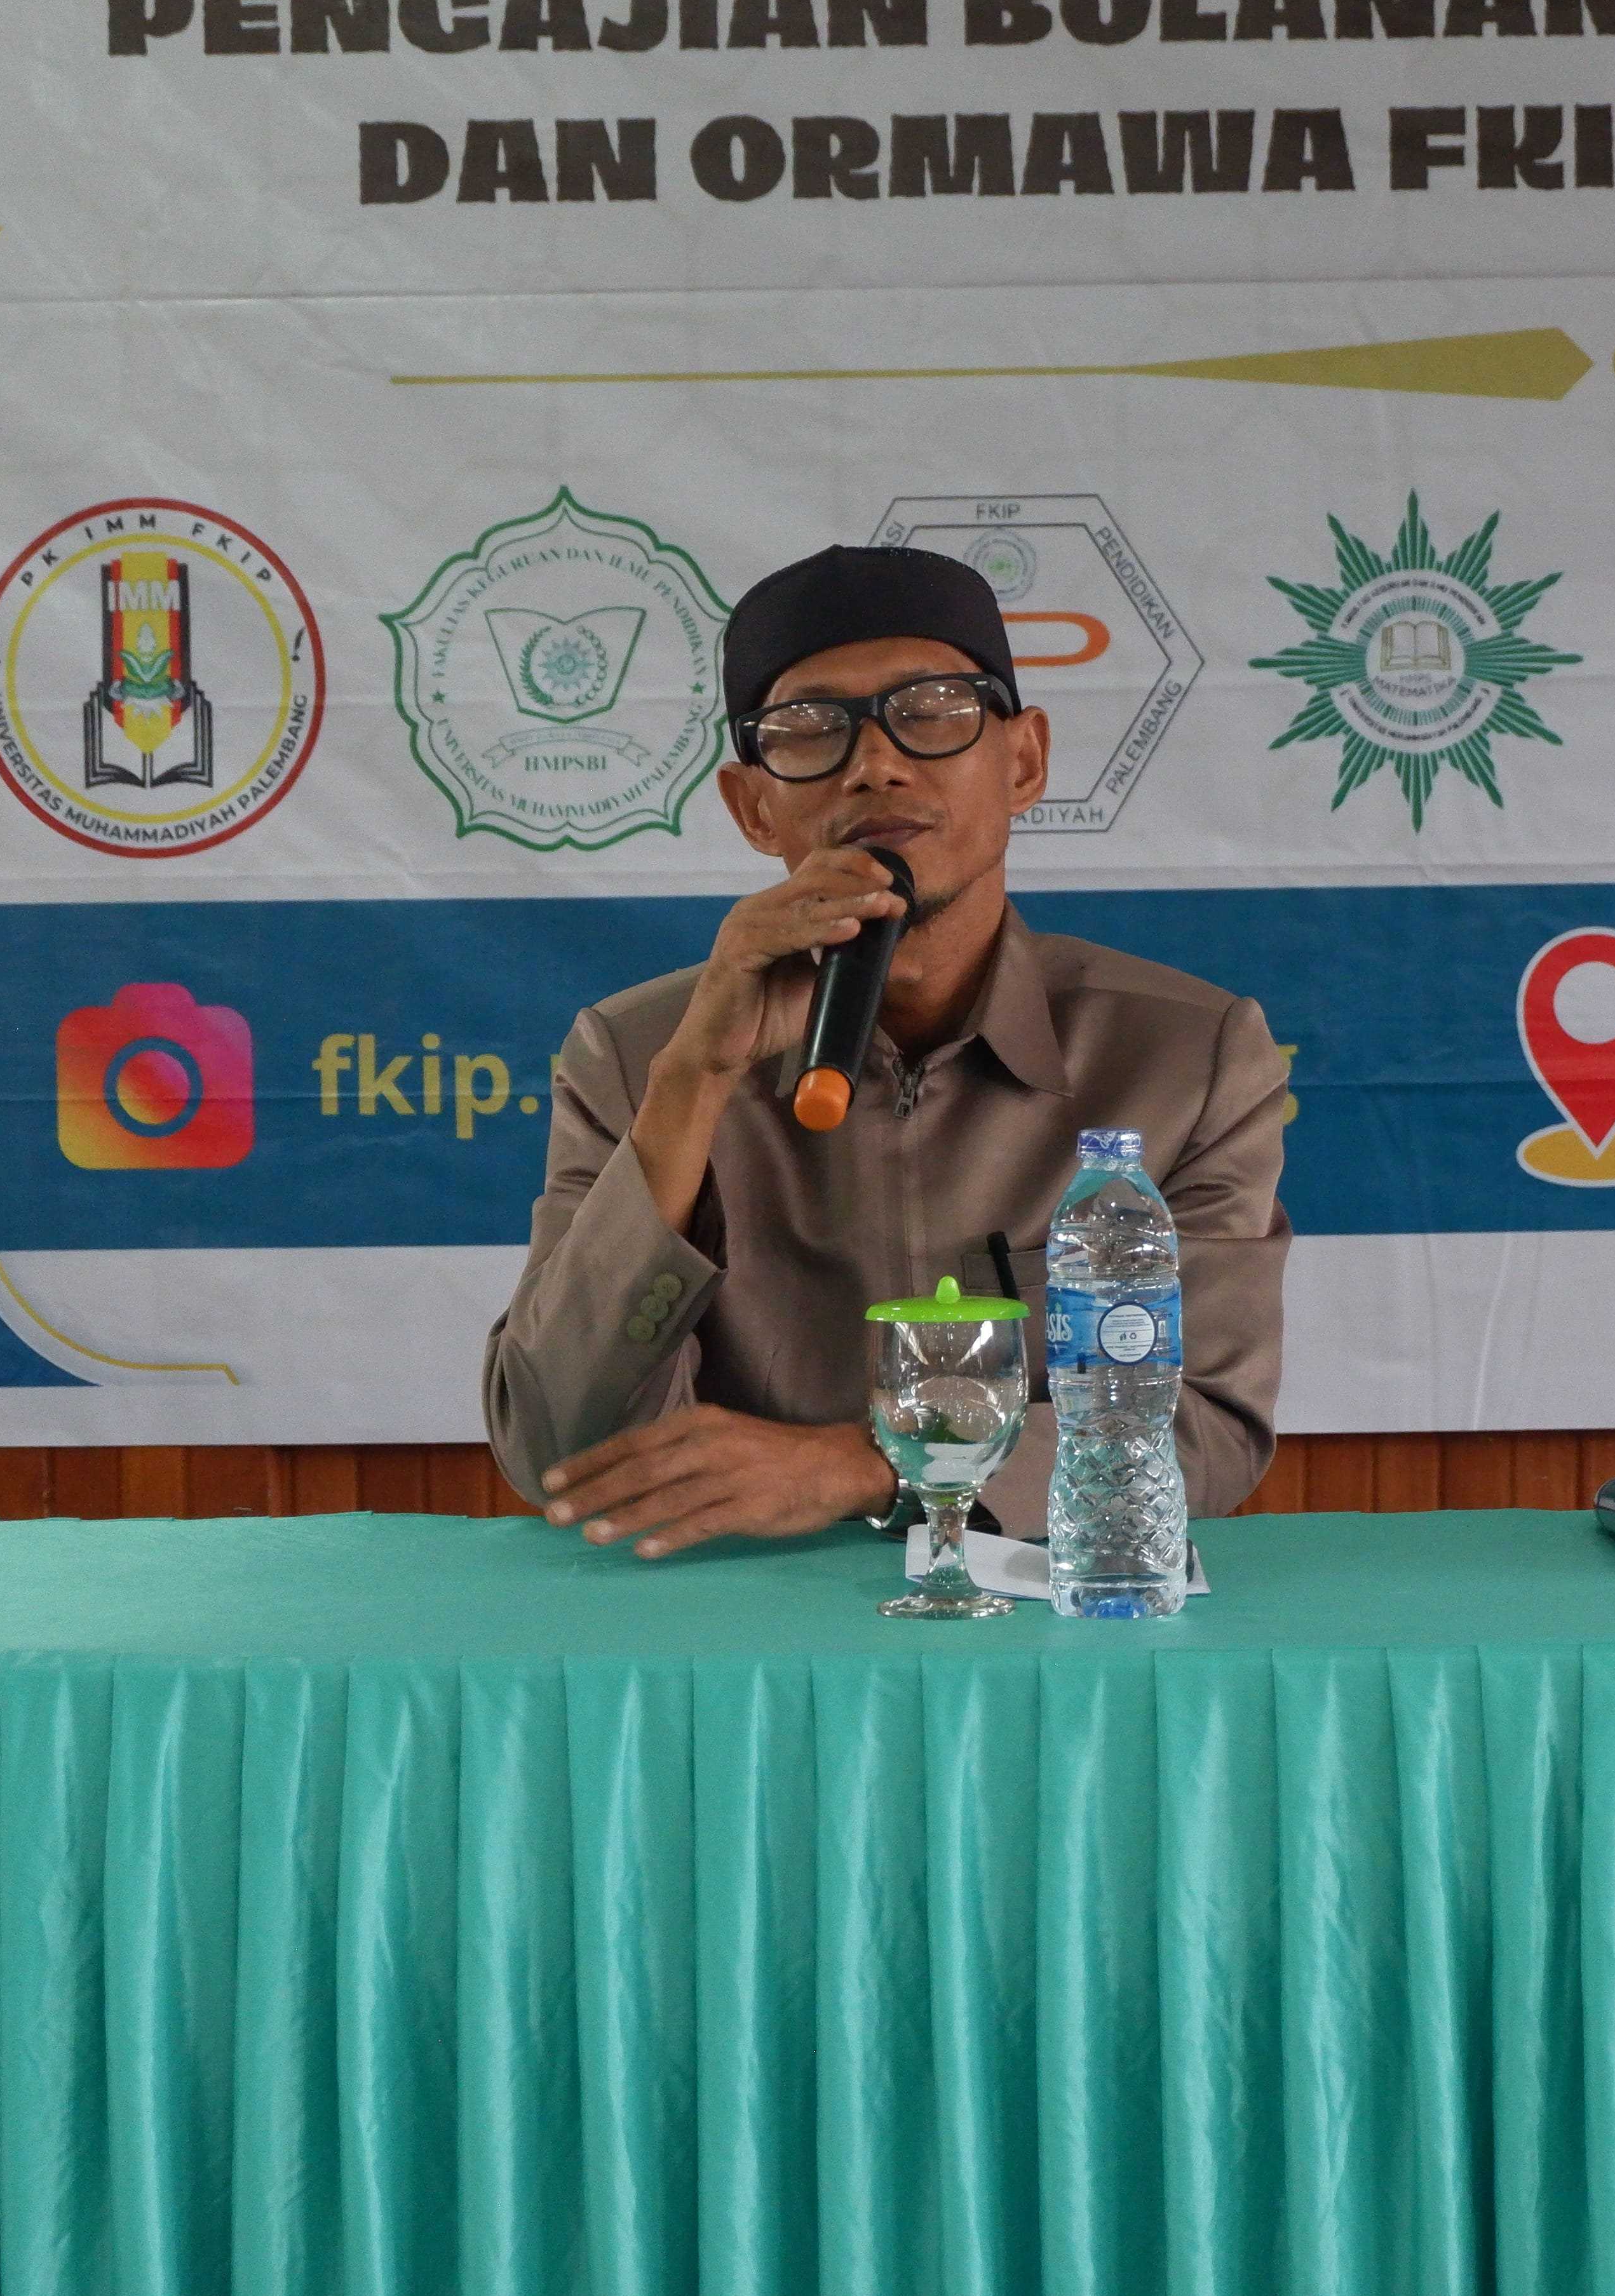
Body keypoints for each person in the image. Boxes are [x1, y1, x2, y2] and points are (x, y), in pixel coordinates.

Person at [485, 544, 1290, 1555]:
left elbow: (1204, 1429)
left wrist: (868, 1464)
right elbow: (554, 1448)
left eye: (934, 710)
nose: (876, 763)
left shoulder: (1185, 1055)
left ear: (1025, 762)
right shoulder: (639, 1053)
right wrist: (693, 1083)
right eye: (810, 731)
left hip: (1045, 1619)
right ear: (753, 806)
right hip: (749, 1618)